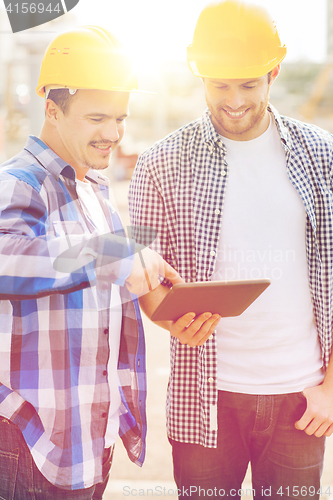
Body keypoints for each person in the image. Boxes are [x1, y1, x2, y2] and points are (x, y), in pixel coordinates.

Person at [129, 1, 333, 498]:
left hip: (300, 402)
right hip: (203, 398)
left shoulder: (323, 156)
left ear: (273, 73)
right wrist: (166, 318)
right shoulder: (159, 163)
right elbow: (136, 270)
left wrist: (331, 388)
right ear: (200, 75)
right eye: (221, 84)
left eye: (248, 84)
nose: (234, 99)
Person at [0, 26, 182, 499]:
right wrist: (114, 252)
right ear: (52, 110)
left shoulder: (96, 191)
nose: (113, 134)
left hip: (89, 440)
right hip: (30, 439)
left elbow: (105, 284)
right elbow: (6, 262)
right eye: (97, 117)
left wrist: (168, 304)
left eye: (120, 118)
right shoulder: (19, 182)